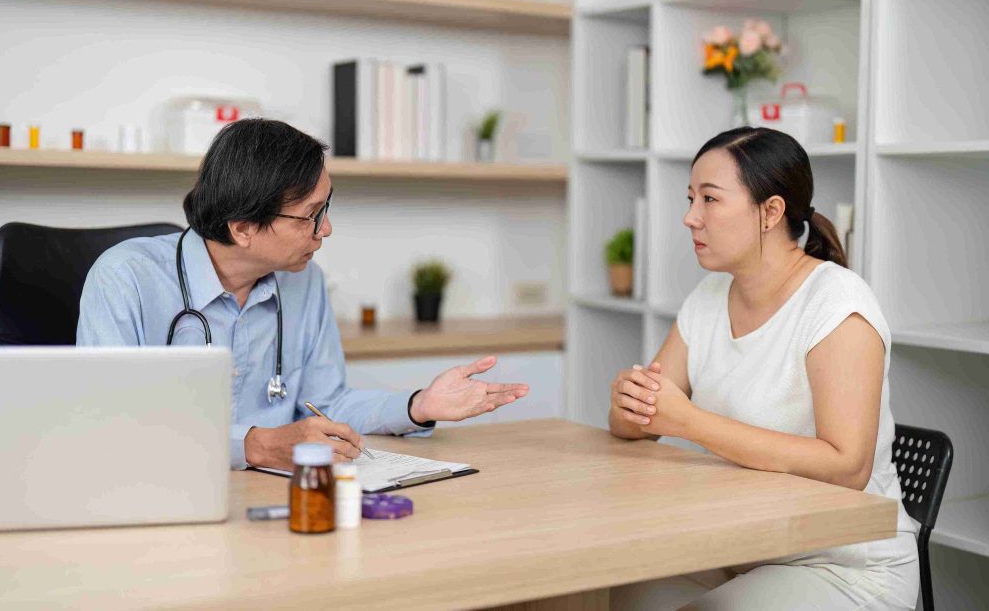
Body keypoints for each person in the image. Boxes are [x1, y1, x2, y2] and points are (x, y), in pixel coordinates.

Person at [77, 118, 529, 470]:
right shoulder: (125, 278)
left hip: (276, 497)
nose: (325, 229)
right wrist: (256, 446)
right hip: (165, 496)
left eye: (326, 208)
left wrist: (417, 406)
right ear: (243, 228)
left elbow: (327, 404)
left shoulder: (304, 281)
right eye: (310, 215)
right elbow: (112, 428)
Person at [608, 127, 918, 610]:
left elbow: (847, 467)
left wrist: (686, 420)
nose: (690, 218)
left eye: (710, 199)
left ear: (770, 212)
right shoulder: (708, 297)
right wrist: (631, 405)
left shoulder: (836, 303)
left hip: (843, 562)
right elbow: (641, 421)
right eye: (691, 198)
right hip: (740, 545)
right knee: (616, 590)